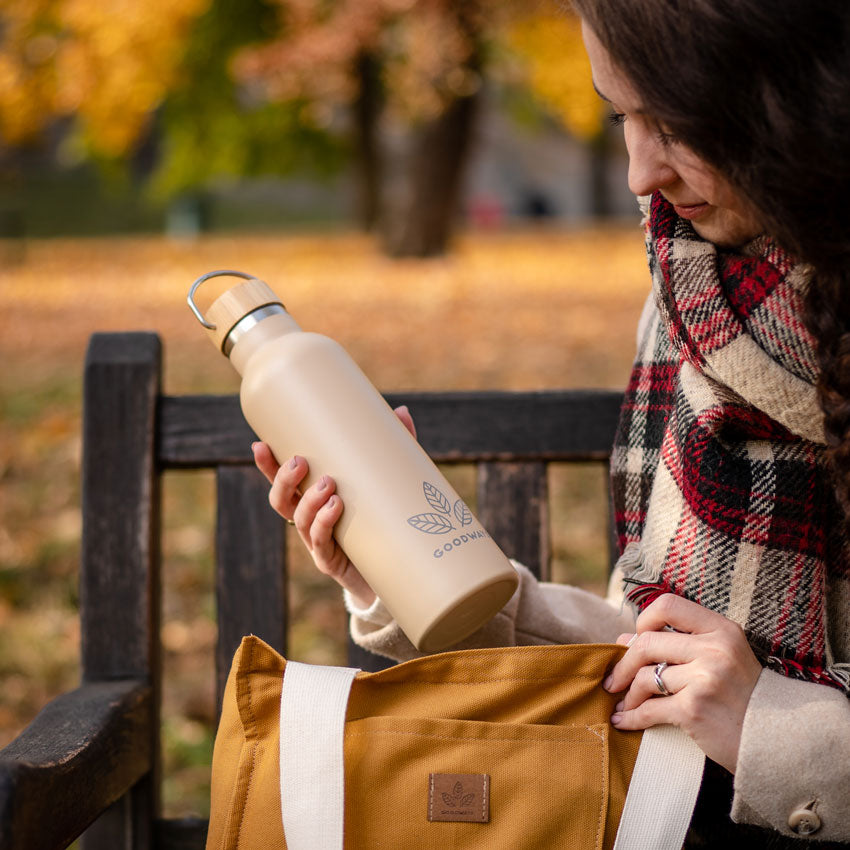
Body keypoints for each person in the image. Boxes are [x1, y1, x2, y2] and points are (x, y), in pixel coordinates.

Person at [254, 1, 850, 844]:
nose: (641, 172)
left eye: (674, 121)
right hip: (660, 809)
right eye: (621, 117)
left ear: (795, 97)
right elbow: (648, 653)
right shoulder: (696, 286)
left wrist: (781, 729)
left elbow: (726, 692)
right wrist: (406, 573)